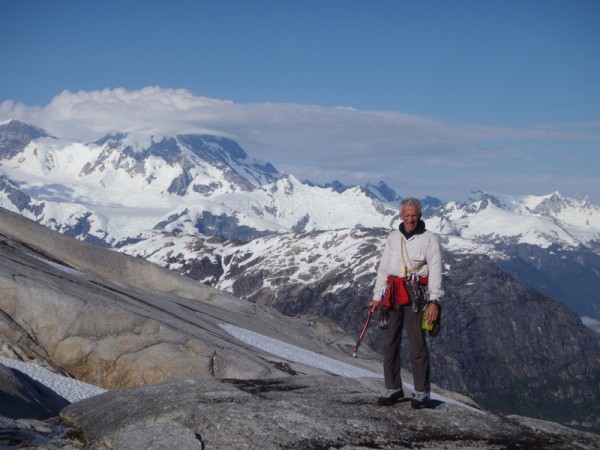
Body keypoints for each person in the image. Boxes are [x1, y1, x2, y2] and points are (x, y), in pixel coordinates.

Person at [369, 197, 443, 409]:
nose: (411, 219)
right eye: (407, 215)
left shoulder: (429, 239)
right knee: (389, 342)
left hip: (416, 295)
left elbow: (436, 271)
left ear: (420, 216)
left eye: (414, 215)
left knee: (417, 344)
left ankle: (421, 393)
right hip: (393, 293)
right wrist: (377, 297)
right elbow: (384, 268)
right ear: (400, 216)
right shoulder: (393, 237)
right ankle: (394, 389)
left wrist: (434, 301)